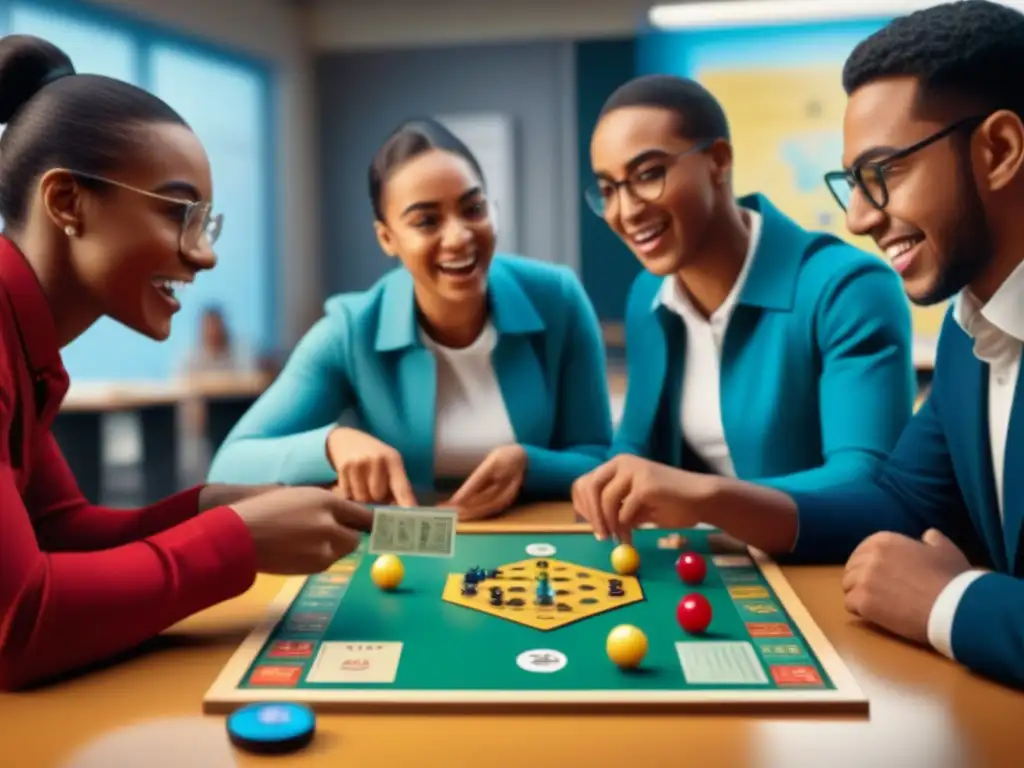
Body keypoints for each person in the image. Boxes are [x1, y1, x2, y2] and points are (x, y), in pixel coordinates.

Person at [573, 0, 1024, 689]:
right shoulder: (972, 335)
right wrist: (707, 499)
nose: (862, 217)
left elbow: (869, 487)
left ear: (997, 151)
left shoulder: (851, 289)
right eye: (853, 183)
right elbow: (899, 503)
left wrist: (952, 603)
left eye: (885, 172)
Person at [0, 35, 372, 691]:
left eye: (206, 222)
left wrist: (207, 507)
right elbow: (18, 624)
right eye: (178, 213)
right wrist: (235, 539)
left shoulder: (24, 338)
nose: (204, 255)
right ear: (66, 203)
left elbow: (59, 531)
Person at [207, 118, 612, 519]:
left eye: (473, 208)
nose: (459, 237)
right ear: (387, 238)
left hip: (538, 546)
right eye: (426, 221)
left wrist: (529, 466)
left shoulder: (556, 298)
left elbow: (598, 457)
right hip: (412, 553)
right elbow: (230, 466)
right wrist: (333, 444)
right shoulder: (351, 331)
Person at [575, 74, 914, 505]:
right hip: (719, 556)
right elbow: (633, 452)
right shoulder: (649, 295)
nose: (626, 211)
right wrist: (539, 466)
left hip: (829, 564)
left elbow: (866, 481)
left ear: (718, 161)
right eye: (608, 189)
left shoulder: (848, 290)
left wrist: (703, 499)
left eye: (648, 174)